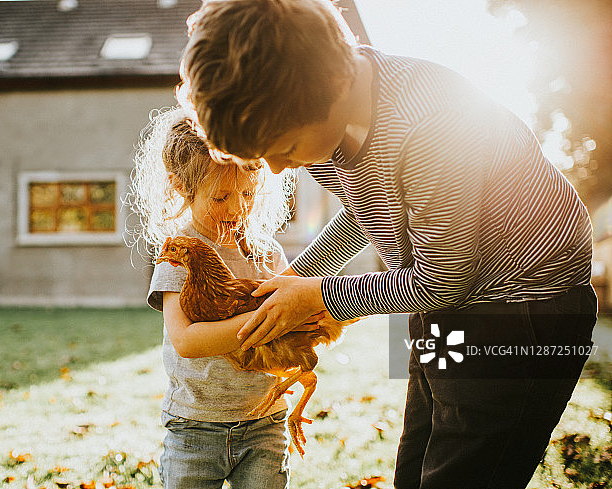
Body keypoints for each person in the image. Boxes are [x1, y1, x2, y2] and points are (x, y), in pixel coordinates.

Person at [176, 1, 598, 487]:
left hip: (521, 312)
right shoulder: (326, 124)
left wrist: (318, 296)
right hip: (442, 303)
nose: (277, 167)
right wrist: (295, 278)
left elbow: (443, 281)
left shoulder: (431, 125)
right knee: (417, 463)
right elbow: (367, 210)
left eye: (285, 148)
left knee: (466, 469)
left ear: (333, 87)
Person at [129, 106, 298, 489]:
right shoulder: (180, 255)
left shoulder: (266, 253)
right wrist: (266, 317)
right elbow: (187, 341)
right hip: (195, 426)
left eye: (247, 193)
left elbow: (292, 320)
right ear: (180, 187)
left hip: (265, 421)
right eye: (221, 197)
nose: (237, 208)